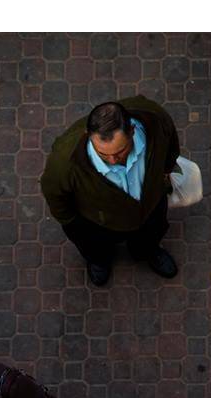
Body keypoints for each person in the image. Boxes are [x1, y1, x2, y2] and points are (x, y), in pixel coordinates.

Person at [40, 97, 181, 287]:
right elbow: (56, 196)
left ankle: (148, 251)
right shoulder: (64, 162)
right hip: (98, 222)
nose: (113, 161)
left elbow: (171, 140)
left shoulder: (154, 119)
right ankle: (99, 261)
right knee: (96, 247)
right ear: (88, 136)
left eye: (120, 151)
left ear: (132, 131)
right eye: (102, 154)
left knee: (151, 234)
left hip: (150, 205)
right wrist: (74, 224)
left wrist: (167, 169)